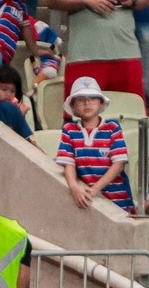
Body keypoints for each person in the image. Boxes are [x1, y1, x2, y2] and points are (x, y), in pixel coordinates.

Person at [56, 76, 135, 214]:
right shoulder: (69, 130)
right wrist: (74, 188)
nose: (87, 103)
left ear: (101, 103)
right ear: (73, 106)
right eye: (80, 99)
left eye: (92, 98)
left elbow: (119, 164)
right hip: (87, 200)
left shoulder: (113, 127)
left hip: (118, 201)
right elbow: (69, 164)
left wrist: (95, 190)